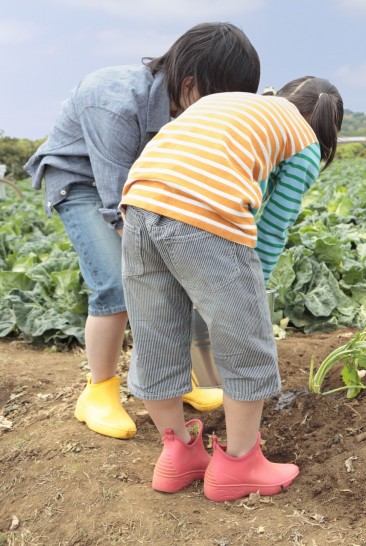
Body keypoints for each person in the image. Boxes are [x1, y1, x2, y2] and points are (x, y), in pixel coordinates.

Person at [23, 23, 261, 440]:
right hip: (81, 183)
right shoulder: (114, 101)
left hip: (138, 185)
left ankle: (175, 383)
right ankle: (99, 391)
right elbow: (117, 205)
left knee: (176, 274)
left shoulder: (184, 109)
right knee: (116, 287)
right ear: (190, 84)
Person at [119, 77, 343, 501]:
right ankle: (240, 466)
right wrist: (252, 295)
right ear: (327, 127)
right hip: (203, 213)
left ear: (284, 94)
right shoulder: (304, 140)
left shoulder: (231, 105)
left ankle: (179, 457)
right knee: (247, 346)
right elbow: (272, 225)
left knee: (157, 339)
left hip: (140, 205)